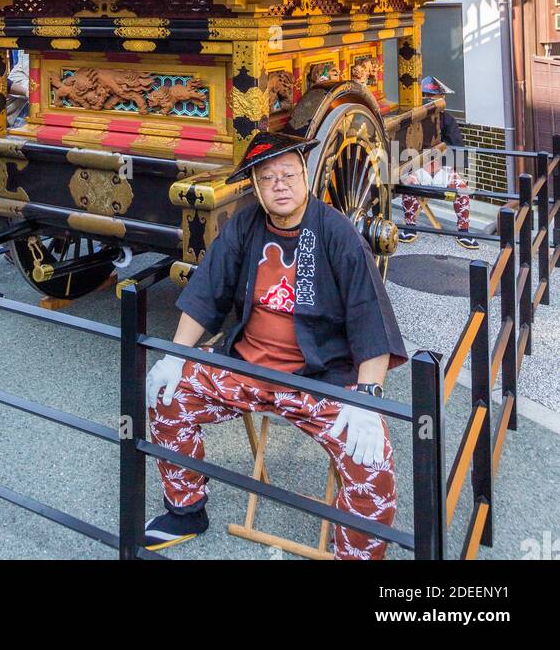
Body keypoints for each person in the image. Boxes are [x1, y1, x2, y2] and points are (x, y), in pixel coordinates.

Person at [144, 130, 406, 557]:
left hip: (319, 378)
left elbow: (368, 317)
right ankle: (185, 509)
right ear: (256, 188)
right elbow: (207, 291)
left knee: (372, 464)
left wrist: (368, 397)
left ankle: (356, 555)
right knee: (166, 395)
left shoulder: (338, 234)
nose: (279, 184)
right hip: (244, 367)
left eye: (288, 174)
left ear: (306, 175)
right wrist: (177, 355)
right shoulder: (246, 225)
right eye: (267, 178)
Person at [399, 76, 477, 250]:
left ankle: (463, 231)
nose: (430, 100)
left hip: (442, 167)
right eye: (426, 96)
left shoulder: (447, 120)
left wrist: (450, 168)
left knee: (462, 188)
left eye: (433, 97)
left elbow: (457, 146)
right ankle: (410, 226)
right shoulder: (412, 118)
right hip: (417, 167)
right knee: (408, 184)